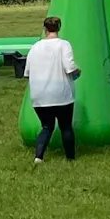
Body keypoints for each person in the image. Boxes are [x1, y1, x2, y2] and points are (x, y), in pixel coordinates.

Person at [24, 16, 81, 163]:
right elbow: (69, 68)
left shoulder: (35, 47)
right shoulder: (63, 45)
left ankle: (38, 157)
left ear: (45, 29)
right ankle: (70, 158)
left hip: (40, 96)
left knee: (47, 127)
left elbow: (27, 72)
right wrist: (77, 72)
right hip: (61, 94)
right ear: (59, 28)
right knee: (66, 126)